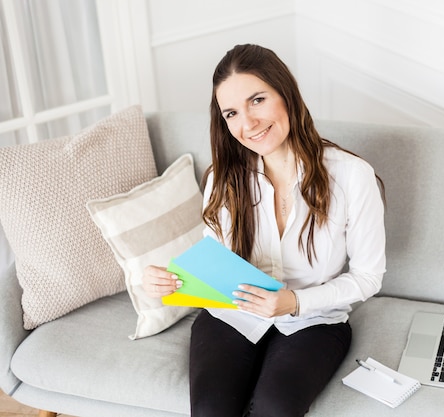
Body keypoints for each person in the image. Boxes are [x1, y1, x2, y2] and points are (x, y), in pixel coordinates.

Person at [142, 44, 386, 417]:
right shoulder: (223, 179)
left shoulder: (352, 176)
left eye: (257, 100)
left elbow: (369, 277)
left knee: (274, 408)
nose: (248, 123)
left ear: (286, 94)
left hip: (314, 320)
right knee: (210, 411)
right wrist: (168, 282)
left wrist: (295, 302)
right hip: (232, 314)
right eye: (232, 113)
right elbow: (214, 263)